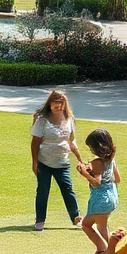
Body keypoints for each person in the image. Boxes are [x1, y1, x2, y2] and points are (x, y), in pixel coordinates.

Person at [30, 90, 84, 231]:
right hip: (44, 161)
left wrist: (80, 159)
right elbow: (35, 143)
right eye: (56, 103)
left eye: (61, 103)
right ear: (50, 103)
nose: (58, 106)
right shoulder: (42, 119)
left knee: (68, 189)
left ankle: (75, 217)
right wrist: (35, 163)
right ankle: (40, 220)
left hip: (62, 162)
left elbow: (71, 141)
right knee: (43, 190)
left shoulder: (69, 119)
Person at [77, 128, 121, 254]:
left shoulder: (97, 162)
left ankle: (105, 252)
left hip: (100, 199)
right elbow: (117, 179)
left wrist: (84, 173)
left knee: (86, 225)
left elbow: (96, 183)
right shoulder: (111, 160)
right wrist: (93, 171)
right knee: (102, 227)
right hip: (111, 196)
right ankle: (107, 253)